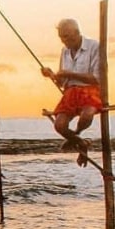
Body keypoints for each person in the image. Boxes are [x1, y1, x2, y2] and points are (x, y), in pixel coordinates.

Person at [41, 18, 102, 167]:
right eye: (61, 37)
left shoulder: (94, 46)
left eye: (67, 36)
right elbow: (62, 82)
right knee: (59, 125)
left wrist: (69, 74)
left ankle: (75, 134)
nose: (64, 41)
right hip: (71, 92)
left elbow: (96, 78)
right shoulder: (64, 51)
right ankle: (81, 143)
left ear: (77, 33)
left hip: (90, 91)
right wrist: (52, 75)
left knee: (86, 115)